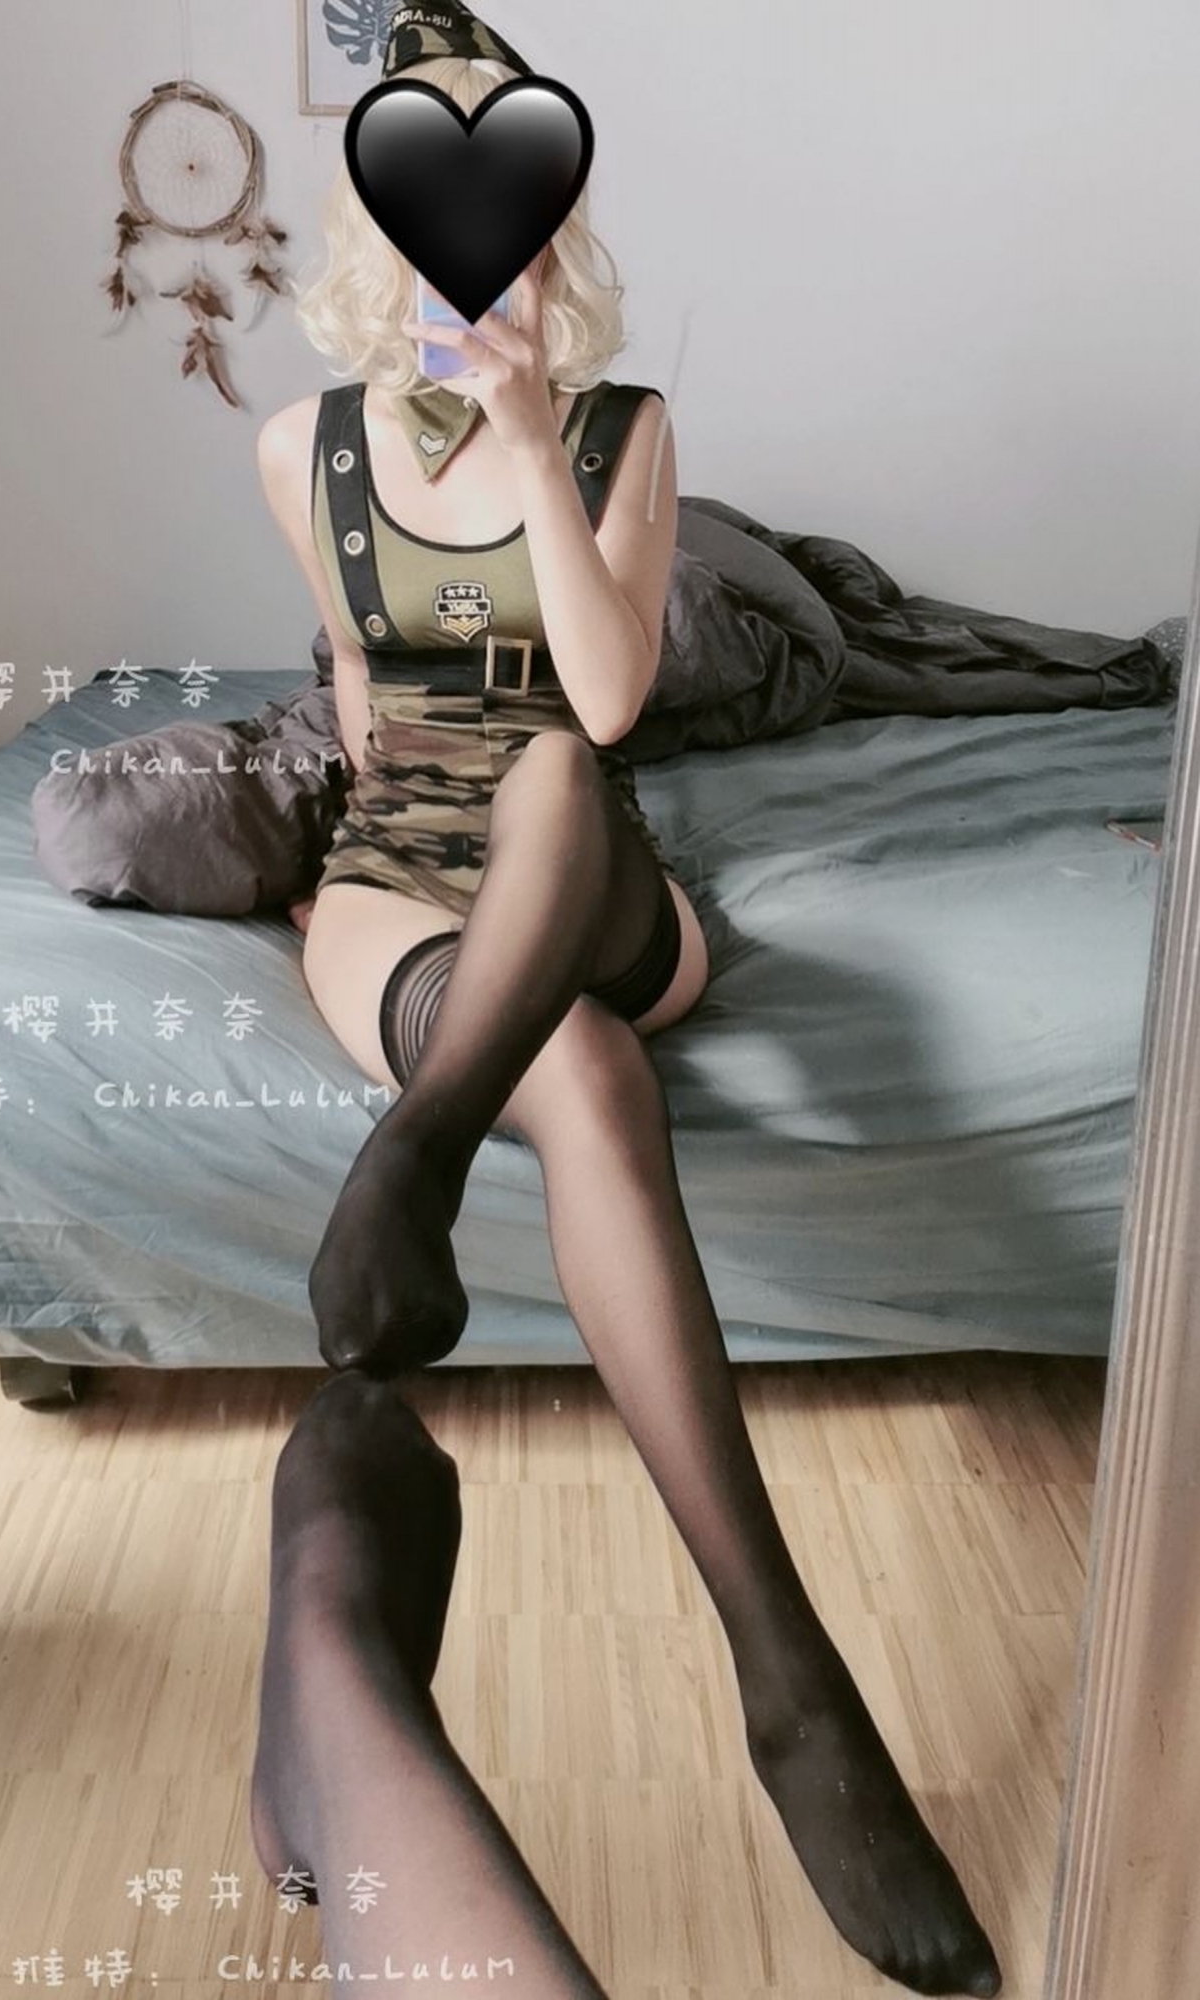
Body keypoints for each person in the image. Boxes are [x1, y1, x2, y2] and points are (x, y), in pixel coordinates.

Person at [252, 6, 1002, 1994]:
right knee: (581, 1082)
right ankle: (793, 1687)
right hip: (399, 886)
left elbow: (600, 697)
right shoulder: (299, 452)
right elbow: (359, 708)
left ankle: (410, 1162)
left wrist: (523, 440)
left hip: (589, 876)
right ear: (376, 229)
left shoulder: (623, 430)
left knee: (560, 782)